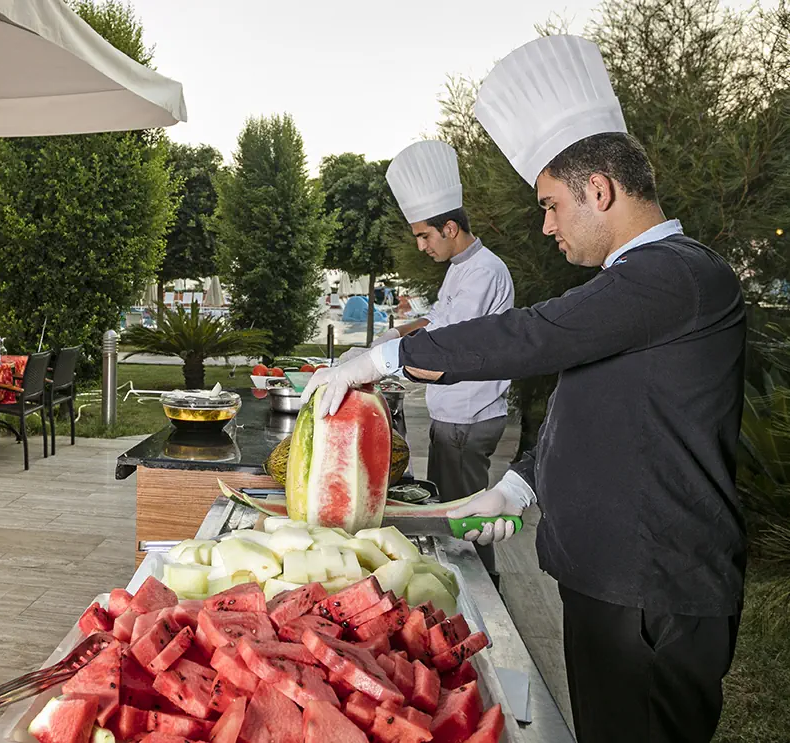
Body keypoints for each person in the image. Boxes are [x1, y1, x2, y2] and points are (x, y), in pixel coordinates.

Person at [302, 35, 745, 743]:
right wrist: (516, 486)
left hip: (653, 587)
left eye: (550, 204)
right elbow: (591, 409)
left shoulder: (678, 274)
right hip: (610, 581)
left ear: (598, 189)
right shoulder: (638, 287)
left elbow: (531, 334)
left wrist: (384, 357)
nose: (545, 226)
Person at [340, 140, 514, 587]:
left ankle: (481, 590)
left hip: (469, 415)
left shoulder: (484, 271)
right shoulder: (462, 266)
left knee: (464, 515)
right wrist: (391, 336)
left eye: (424, 236)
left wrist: (379, 363)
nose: (420, 246)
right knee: (451, 508)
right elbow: (435, 318)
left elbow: (446, 342)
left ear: (449, 227)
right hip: (454, 414)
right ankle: (465, 579)